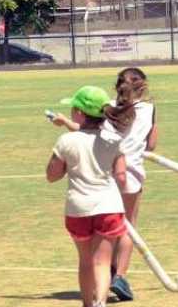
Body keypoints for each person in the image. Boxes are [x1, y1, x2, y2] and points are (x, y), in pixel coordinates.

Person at [51, 68, 157, 302]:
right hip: (130, 172)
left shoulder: (106, 106)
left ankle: (101, 281)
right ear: (144, 87)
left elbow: (88, 133)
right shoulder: (149, 109)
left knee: (98, 240)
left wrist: (65, 122)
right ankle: (119, 275)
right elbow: (152, 144)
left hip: (101, 172)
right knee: (128, 226)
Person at [45, 86, 133, 307]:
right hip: (108, 206)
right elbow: (121, 176)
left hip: (78, 208)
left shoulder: (66, 141)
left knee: (85, 261)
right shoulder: (113, 140)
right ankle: (101, 301)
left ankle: (87, 303)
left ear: (80, 113)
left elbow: (52, 175)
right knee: (102, 262)